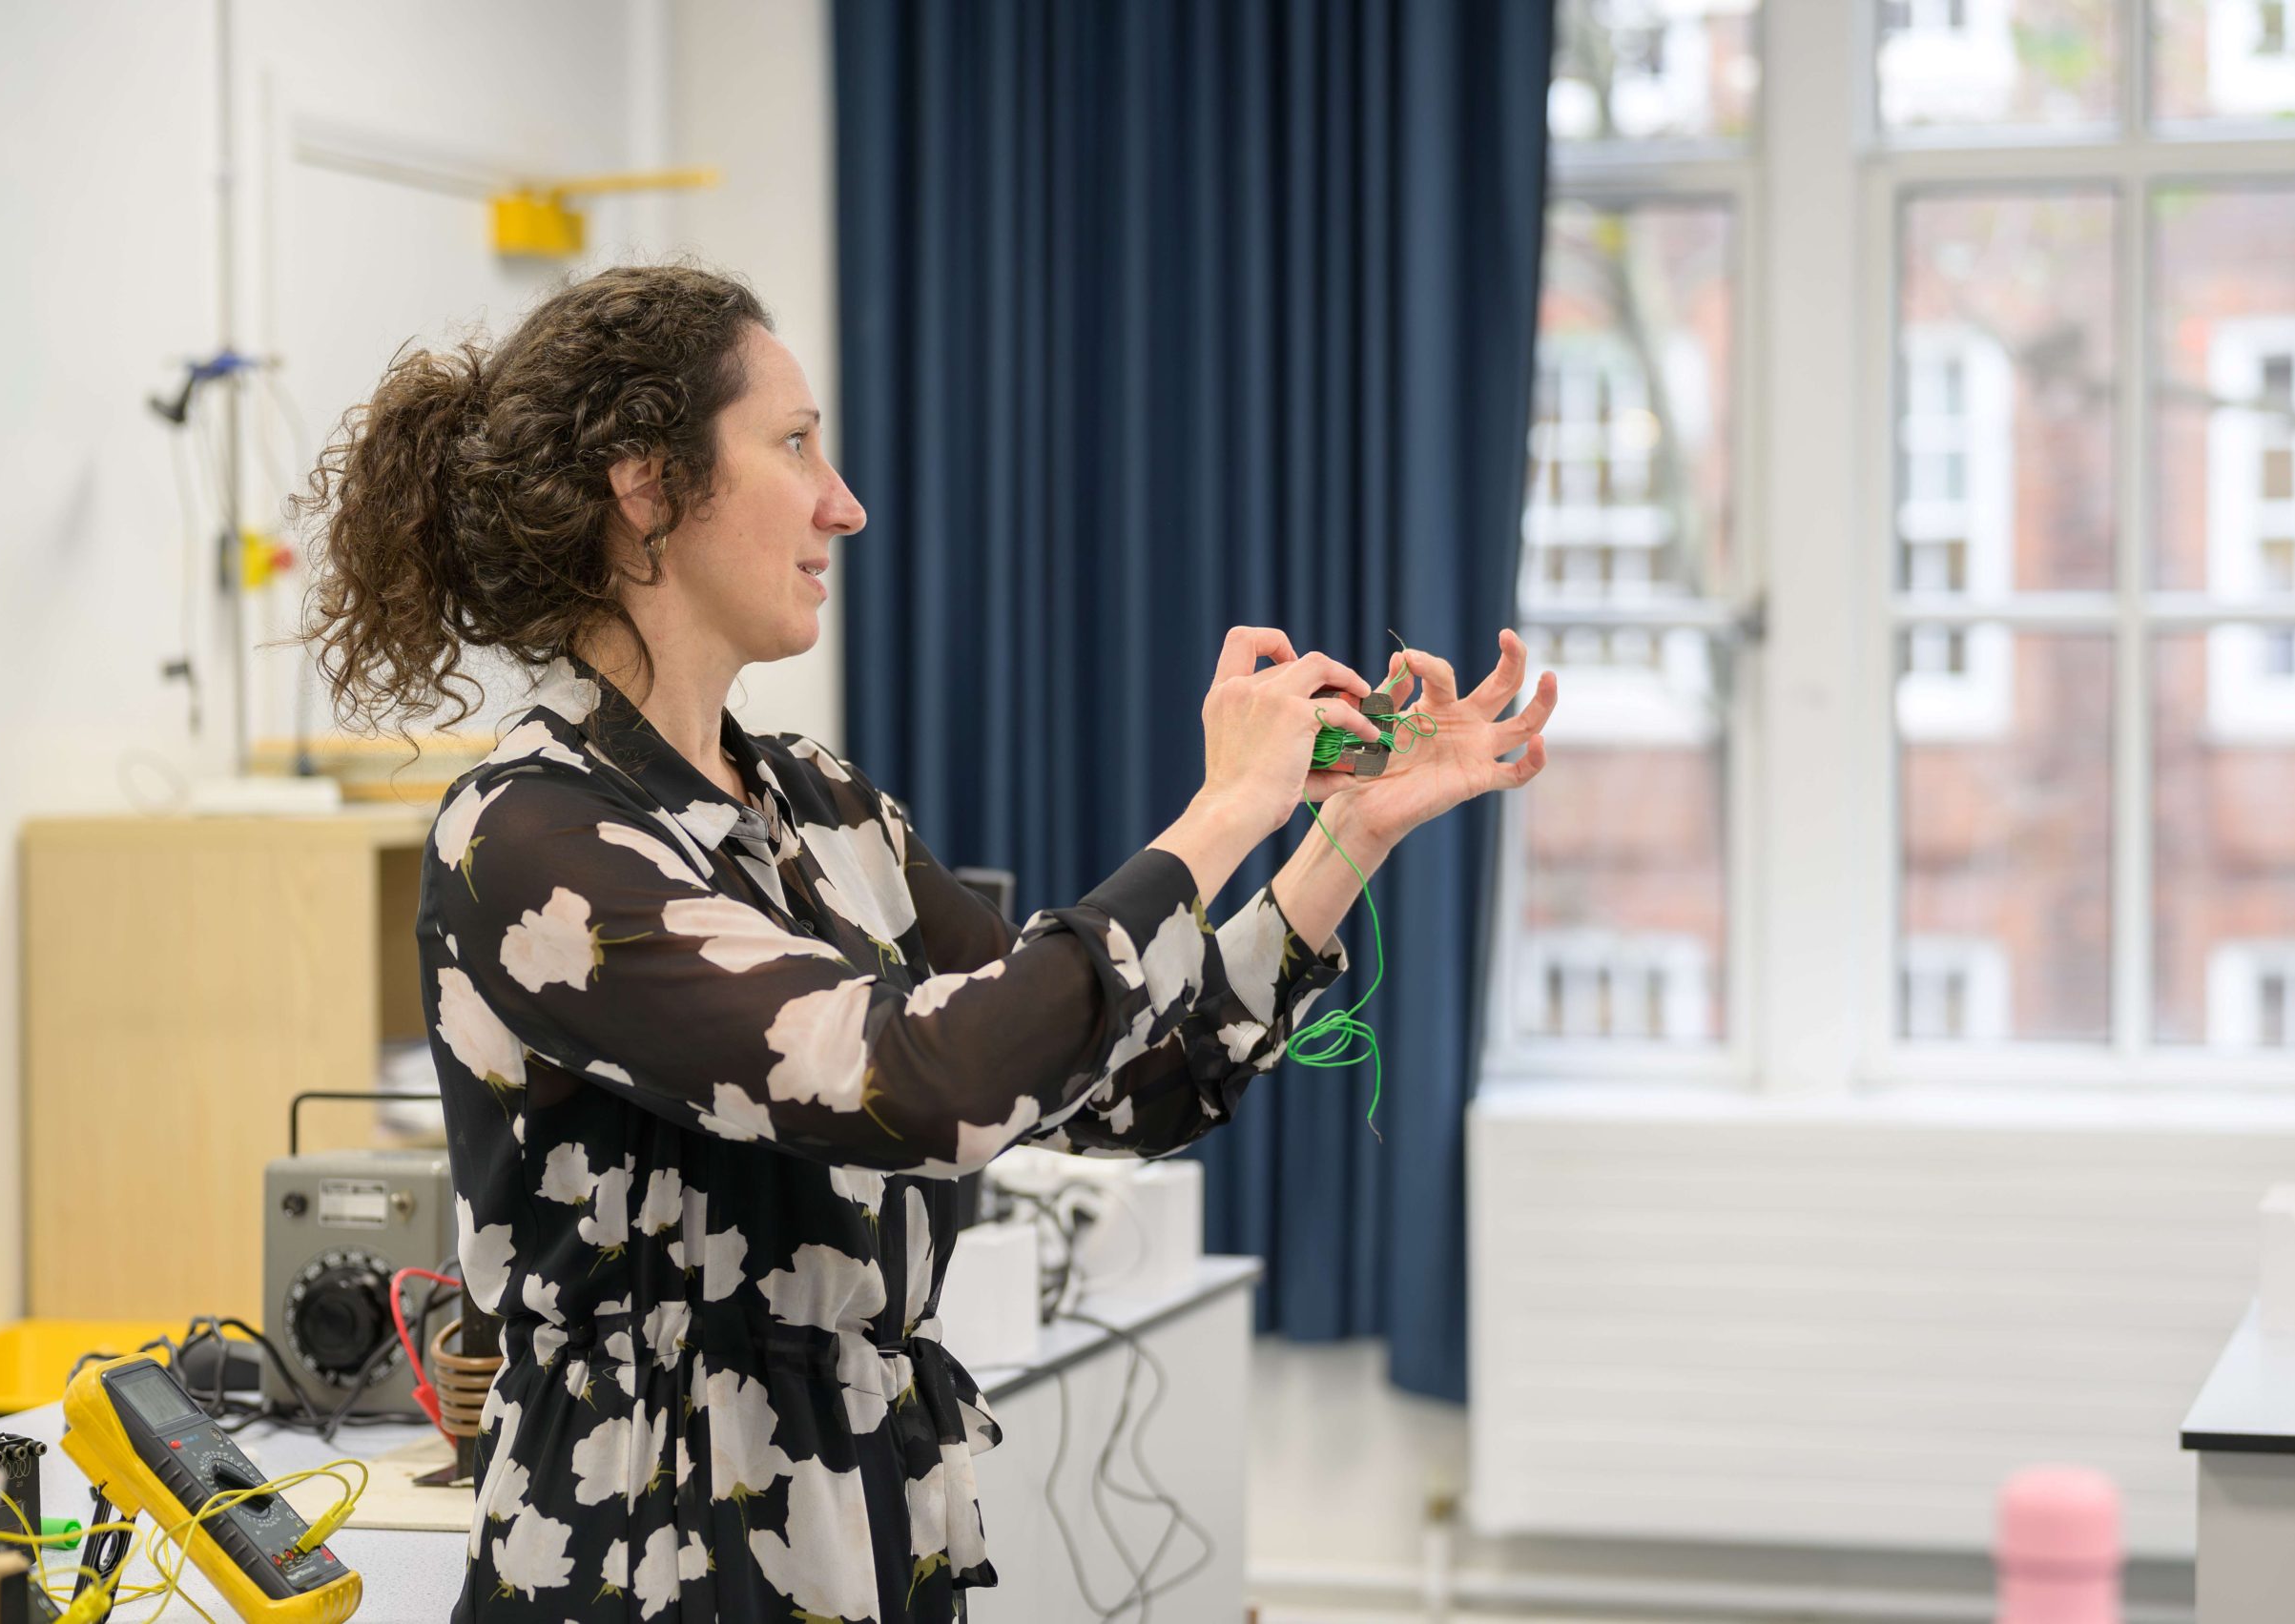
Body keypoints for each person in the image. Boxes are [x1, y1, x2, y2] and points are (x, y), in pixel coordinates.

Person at [300, 262, 1556, 1623]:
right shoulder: (530, 844)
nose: (844, 502)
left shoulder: (822, 807)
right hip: (649, 1551)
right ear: (646, 487)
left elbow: (1119, 1083)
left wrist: (1344, 837)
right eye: (793, 445)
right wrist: (1222, 811)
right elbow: (923, 1086)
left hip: (864, 1526)